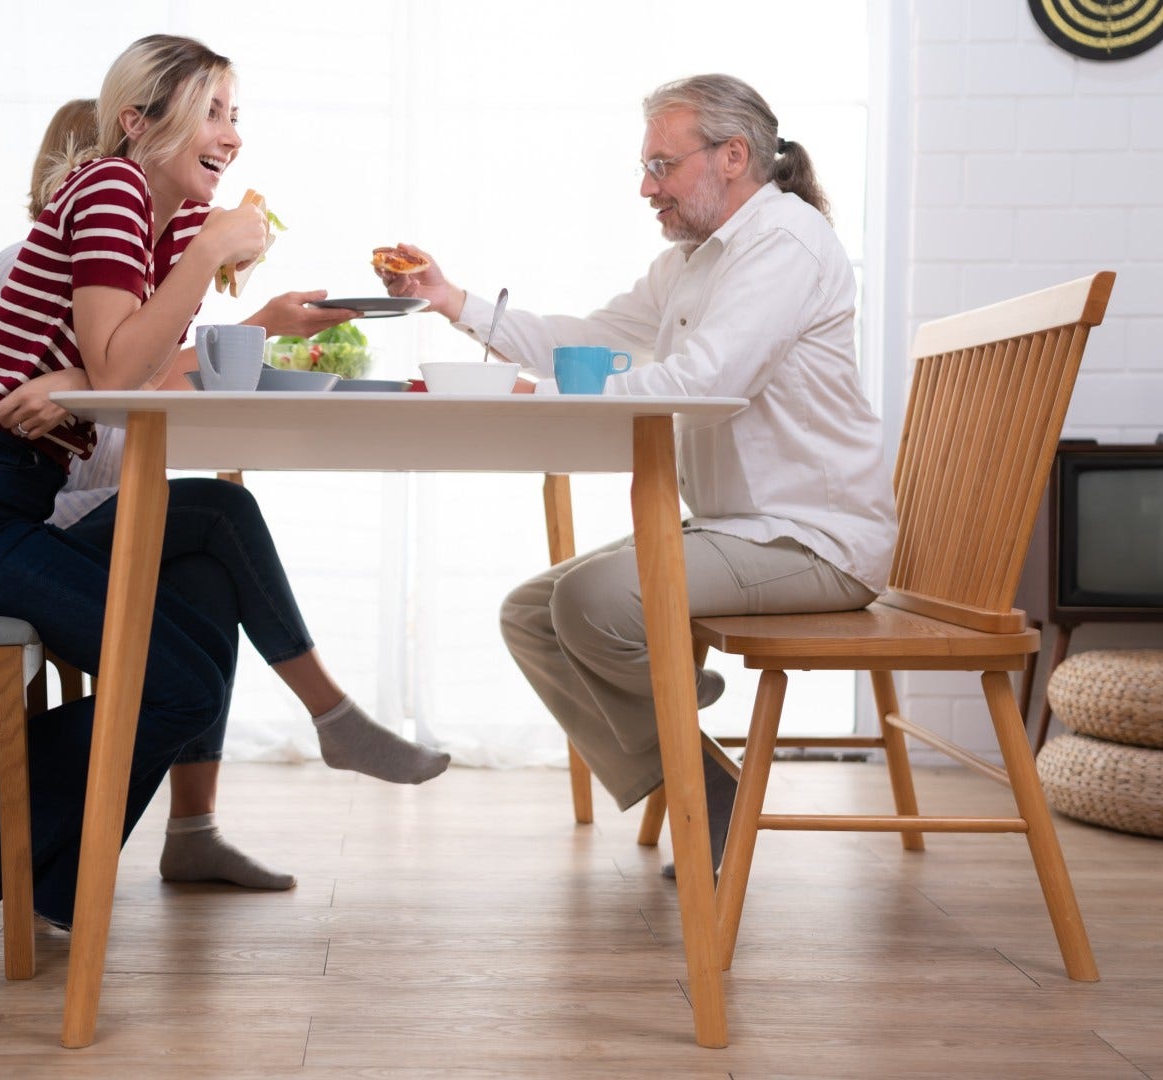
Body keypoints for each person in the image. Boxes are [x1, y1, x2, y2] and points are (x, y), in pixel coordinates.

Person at [0, 35, 446, 946]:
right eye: (211, 112)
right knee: (178, 679)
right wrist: (208, 251)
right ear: (137, 123)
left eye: (235, 115)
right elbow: (118, 368)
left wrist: (227, 297)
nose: (233, 135)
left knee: (195, 632)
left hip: (3, 502)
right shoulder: (110, 187)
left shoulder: (163, 224)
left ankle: (37, 870)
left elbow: (130, 372)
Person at [376, 73, 896, 879]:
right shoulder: (692, 263)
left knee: (591, 601)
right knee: (531, 614)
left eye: (662, 165)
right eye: (646, 168)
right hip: (737, 530)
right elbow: (587, 341)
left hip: (812, 542)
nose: (647, 188)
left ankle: (690, 753)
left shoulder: (784, 244)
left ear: (733, 156)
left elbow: (705, 381)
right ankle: (694, 763)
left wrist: (541, 396)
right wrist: (452, 301)